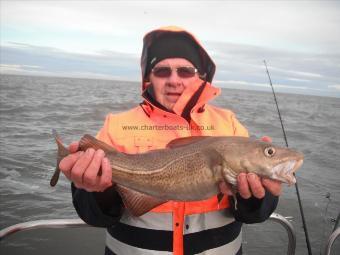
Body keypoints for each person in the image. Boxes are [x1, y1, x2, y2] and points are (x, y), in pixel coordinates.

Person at [59, 26, 282, 255]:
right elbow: (94, 216)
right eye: (162, 71)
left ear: (200, 76)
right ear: (148, 78)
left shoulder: (231, 126)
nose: (174, 80)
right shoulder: (116, 125)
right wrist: (98, 192)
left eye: (185, 71)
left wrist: (255, 199)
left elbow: (256, 215)